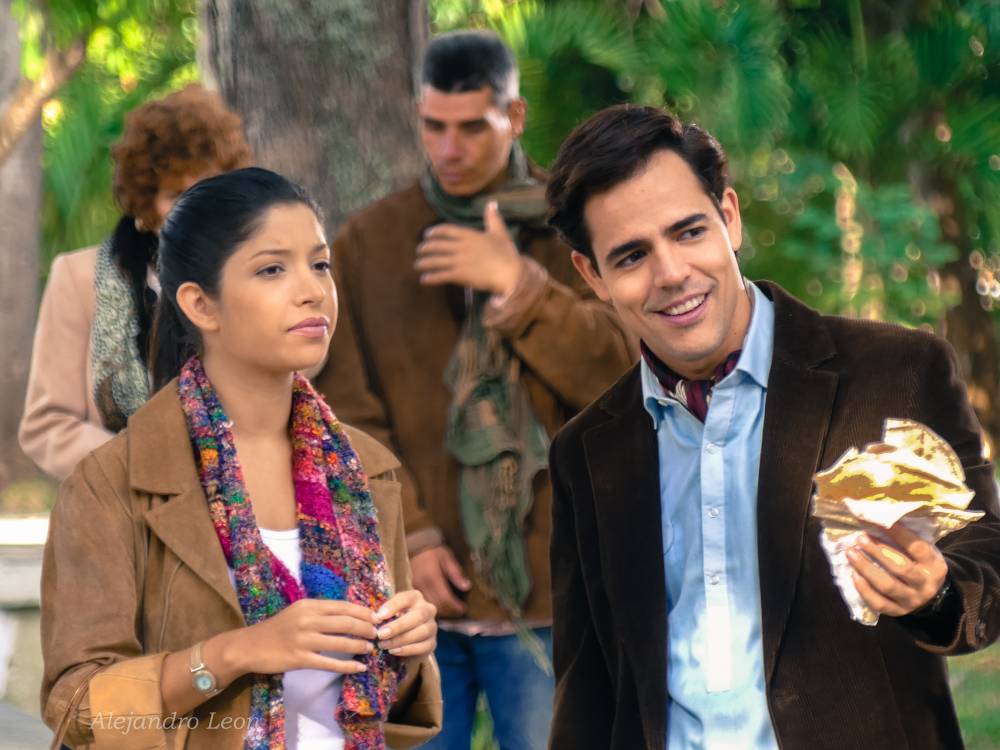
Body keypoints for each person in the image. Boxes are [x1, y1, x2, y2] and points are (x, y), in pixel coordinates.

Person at [543, 104, 1000, 749]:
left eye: (688, 232)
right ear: (592, 274)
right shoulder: (585, 453)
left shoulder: (896, 372)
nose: (671, 273)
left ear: (729, 217)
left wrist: (937, 593)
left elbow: (987, 561)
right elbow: (586, 688)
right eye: (631, 255)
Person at [41, 168, 442, 750]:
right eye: (272, 269)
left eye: (320, 264)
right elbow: (78, 709)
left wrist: (408, 648)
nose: (312, 290)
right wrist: (235, 653)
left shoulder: (362, 469)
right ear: (201, 305)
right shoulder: (113, 482)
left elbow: (386, 708)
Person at [313, 31, 631, 749]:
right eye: (434, 127)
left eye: (471, 128)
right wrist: (411, 534)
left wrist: (519, 288)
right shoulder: (369, 242)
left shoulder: (576, 227)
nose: (449, 149)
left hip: (549, 589)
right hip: (411, 599)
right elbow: (344, 412)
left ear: (514, 117)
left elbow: (619, 377)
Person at [19, 84, 252, 481]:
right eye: (177, 194)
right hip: (121, 504)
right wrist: (148, 467)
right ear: (147, 201)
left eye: (208, 191)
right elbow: (47, 425)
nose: (194, 209)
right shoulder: (78, 278)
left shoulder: (259, 276)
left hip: (248, 501)